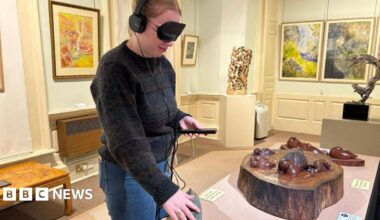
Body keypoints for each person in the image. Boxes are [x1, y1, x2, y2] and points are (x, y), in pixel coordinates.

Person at [90, 0, 202, 219]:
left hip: (158, 165)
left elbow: (162, 109)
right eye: (164, 32)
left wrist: (180, 117)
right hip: (127, 170)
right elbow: (125, 140)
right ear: (137, 24)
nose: (170, 42)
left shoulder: (164, 66)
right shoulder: (114, 67)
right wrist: (164, 190)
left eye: (175, 33)